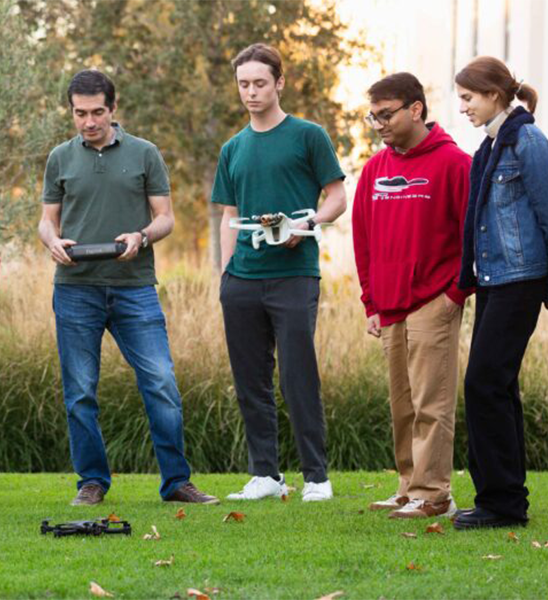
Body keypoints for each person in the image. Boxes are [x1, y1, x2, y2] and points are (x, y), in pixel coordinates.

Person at [38, 69, 218, 506]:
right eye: (80, 113)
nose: (89, 122)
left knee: (160, 381)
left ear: (113, 109)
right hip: (76, 288)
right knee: (80, 390)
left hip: (134, 287)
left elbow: (166, 217)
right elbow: (47, 220)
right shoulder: (60, 158)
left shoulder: (144, 153)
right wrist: (51, 240)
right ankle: (92, 482)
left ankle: (176, 481)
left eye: (97, 112)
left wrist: (142, 236)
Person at [213, 44, 346, 502]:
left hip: (294, 275)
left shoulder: (308, 136)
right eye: (244, 84)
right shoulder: (232, 148)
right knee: (250, 380)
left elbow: (336, 197)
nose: (251, 92)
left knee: (297, 376)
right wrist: (226, 274)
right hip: (243, 280)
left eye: (260, 83)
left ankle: (316, 478)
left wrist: (308, 222)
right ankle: (266, 475)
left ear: (279, 83)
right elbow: (229, 213)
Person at [352, 73, 472, 519]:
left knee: (431, 404)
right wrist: (370, 302)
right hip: (389, 305)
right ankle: (408, 486)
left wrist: (455, 294)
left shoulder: (454, 163)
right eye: (373, 117)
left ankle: (435, 493)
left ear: (416, 109)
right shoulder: (375, 169)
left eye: (386, 114)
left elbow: (471, 235)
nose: (379, 124)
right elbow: (362, 239)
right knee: (402, 405)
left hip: (433, 301)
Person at [452, 57, 547, 530]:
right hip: (493, 280)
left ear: (493, 93)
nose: (463, 107)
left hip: (522, 279)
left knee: (483, 383)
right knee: (498, 385)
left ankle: (501, 502)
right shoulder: (487, 149)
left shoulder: (527, 141)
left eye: (468, 98)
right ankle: (505, 501)